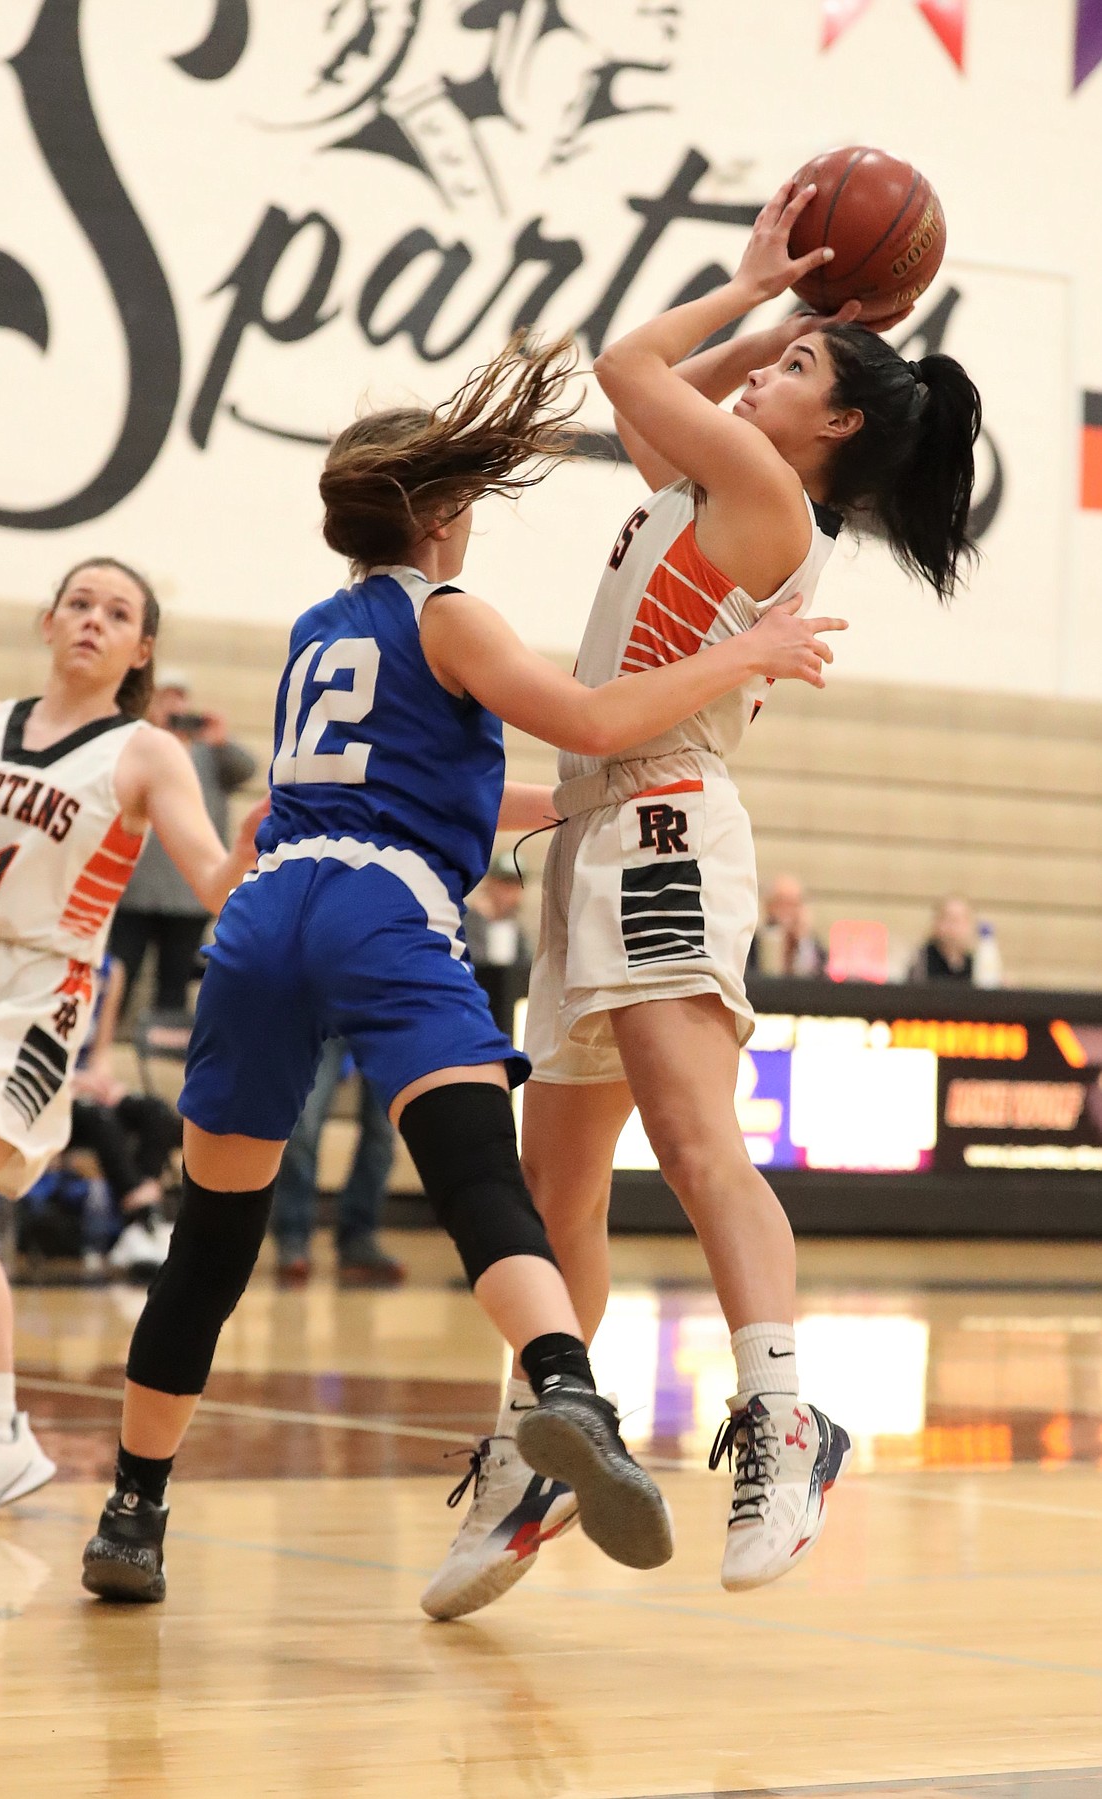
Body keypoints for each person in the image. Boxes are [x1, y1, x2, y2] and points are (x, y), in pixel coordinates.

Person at [79, 334, 839, 1607]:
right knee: (489, 1180)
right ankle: (566, 1389)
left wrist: (578, 804)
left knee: (213, 1237)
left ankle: (134, 1510)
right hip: (383, 913)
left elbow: (445, 786)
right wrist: (744, 658)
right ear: (438, 515)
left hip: (269, 913)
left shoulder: (318, 633)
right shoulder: (451, 613)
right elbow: (592, 721)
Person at [425, 179, 982, 1617]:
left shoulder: (760, 495)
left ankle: (785, 1415)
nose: (766, 367)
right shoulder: (701, 486)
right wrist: (796, 323)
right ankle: (532, 1453)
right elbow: (649, 396)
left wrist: (754, 290)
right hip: (598, 834)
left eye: (801, 370)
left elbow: (629, 367)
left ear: (837, 426)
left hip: (667, 831)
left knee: (688, 1137)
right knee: (557, 1192)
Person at [0, 557, 266, 1519]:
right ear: (47, 620)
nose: (91, 620)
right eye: (78, 603)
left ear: (140, 648)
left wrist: (258, 841)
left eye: (116, 612)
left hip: (41, 986)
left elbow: (212, 884)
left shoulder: (146, 752)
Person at [108, 673, 257, 1016]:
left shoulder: (209, 750)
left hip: (189, 895)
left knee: (174, 985)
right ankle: (103, 1043)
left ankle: (162, 1053)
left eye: (180, 699)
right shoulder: (136, 744)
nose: (175, 707)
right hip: (135, 888)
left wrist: (221, 740)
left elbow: (247, 769)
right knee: (118, 973)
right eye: (165, 698)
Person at [67, 956, 183, 1276]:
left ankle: (138, 1227)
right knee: (102, 1121)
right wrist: (75, 1083)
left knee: (156, 1112)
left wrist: (104, 1083)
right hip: (48, 1089)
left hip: (85, 1086)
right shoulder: (49, 959)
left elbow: (101, 1048)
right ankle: (143, 1218)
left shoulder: (111, 970)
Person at [271, 1036, 403, 1288]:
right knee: (303, 1125)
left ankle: (358, 1238)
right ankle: (293, 1235)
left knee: (382, 1133)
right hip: (324, 1014)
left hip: (387, 1009)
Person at [463, 850, 533, 1039]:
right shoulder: (468, 923)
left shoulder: (516, 931)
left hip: (506, 1019)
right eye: (506, 884)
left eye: (517, 885)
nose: (512, 893)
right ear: (491, 884)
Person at [746, 872, 828, 978]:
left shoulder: (813, 946)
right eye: (782, 903)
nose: (789, 911)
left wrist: (803, 941)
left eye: (795, 904)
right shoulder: (753, 945)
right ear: (768, 906)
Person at [909, 893, 978, 982]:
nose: (952, 926)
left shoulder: (975, 964)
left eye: (957, 920)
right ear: (936, 922)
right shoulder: (921, 960)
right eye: (947, 918)